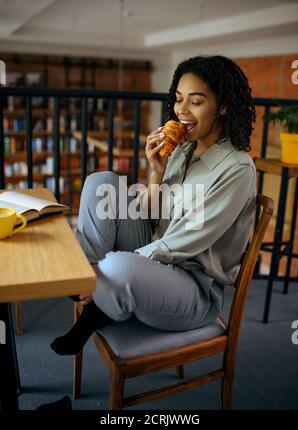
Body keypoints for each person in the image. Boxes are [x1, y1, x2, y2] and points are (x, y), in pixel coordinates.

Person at [50, 55, 257, 356]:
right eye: (179, 99)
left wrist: (124, 263)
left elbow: (187, 241)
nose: (181, 110)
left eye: (195, 101)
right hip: (156, 251)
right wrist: (156, 171)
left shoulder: (237, 169)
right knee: (102, 181)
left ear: (222, 105)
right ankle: (89, 281)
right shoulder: (182, 148)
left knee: (117, 267)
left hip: (193, 288)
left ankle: (97, 298)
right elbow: (150, 214)